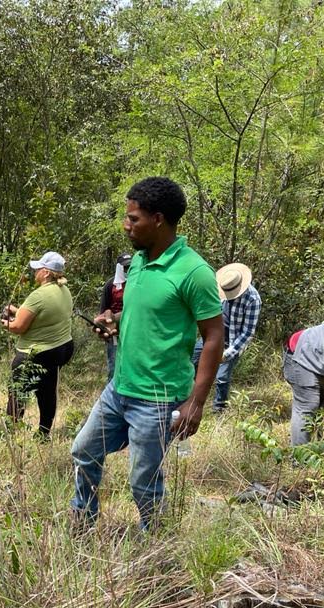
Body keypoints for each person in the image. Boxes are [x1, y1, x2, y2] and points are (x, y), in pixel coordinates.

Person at [71, 177, 224, 531]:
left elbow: (214, 336)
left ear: (158, 219)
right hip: (119, 388)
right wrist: (113, 320)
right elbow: (145, 314)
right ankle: (82, 524)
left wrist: (196, 403)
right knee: (83, 451)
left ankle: (155, 546)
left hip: (157, 398)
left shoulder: (193, 272)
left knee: (143, 483)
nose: (126, 226)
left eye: (134, 219)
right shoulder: (138, 261)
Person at [1, 251, 75, 437]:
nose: (35, 273)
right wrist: (20, 311)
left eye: (38, 269)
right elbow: (45, 317)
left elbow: (18, 327)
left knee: (18, 391)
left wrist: (6, 323)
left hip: (37, 352)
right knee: (47, 390)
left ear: (47, 273)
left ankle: (12, 433)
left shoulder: (38, 295)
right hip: (60, 348)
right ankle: (43, 433)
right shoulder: (64, 290)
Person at [190, 262, 261, 413]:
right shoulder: (221, 288)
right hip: (211, 336)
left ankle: (219, 410)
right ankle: (189, 400)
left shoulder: (252, 299)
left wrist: (227, 353)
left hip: (232, 342)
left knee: (222, 377)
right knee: (192, 361)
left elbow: (247, 332)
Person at [96, 253, 132, 380]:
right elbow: (104, 309)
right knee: (114, 367)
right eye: (125, 268)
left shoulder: (136, 284)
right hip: (115, 332)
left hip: (133, 330)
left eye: (130, 267)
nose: (128, 270)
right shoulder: (111, 285)